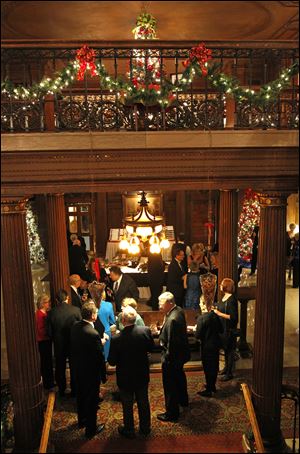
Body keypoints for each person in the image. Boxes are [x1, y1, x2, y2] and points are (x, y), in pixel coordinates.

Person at [108, 305, 154, 438]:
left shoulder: (117, 338)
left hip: (125, 376)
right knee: (143, 401)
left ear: (122, 321)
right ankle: (145, 428)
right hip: (141, 373)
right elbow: (151, 348)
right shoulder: (145, 331)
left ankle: (129, 429)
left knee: (127, 404)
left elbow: (112, 361)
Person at [70, 301, 106, 439]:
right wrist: (103, 376)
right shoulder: (93, 333)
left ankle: (82, 421)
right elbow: (99, 357)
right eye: (96, 313)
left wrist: (98, 343)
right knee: (91, 401)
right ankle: (91, 429)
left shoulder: (75, 326)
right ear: (92, 315)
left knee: (80, 396)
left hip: (78, 369)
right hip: (91, 373)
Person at [157, 292, 190, 422]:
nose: (159, 305)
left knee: (170, 385)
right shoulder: (178, 310)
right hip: (180, 356)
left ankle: (172, 413)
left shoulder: (172, 319)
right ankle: (183, 400)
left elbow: (172, 343)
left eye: (161, 303)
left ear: (169, 303)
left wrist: (167, 359)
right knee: (180, 377)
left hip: (173, 358)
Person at [47, 289, 82, 397]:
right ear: (67, 298)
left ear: (57, 300)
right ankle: (75, 389)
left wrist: (55, 338)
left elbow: (49, 332)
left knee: (60, 367)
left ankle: (62, 389)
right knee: (74, 366)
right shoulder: (75, 310)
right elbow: (81, 327)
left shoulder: (52, 312)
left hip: (59, 344)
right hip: (73, 343)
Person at [195, 302, 223, 397]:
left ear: (203, 305)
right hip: (215, 345)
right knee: (214, 365)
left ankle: (209, 389)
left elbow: (197, 335)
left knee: (207, 367)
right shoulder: (215, 316)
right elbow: (221, 330)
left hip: (206, 346)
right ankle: (212, 386)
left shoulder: (201, 318)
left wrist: (196, 329)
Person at [213, 278, 238, 382]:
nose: (220, 286)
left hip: (229, 329)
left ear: (226, 286)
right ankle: (226, 369)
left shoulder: (231, 299)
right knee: (226, 350)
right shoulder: (224, 297)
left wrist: (219, 313)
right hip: (223, 328)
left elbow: (233, 317)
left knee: (230, 352)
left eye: (221, 284)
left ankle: (229, 373)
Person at [89, 282, 115, 361]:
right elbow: (112, 321)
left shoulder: (88, 305)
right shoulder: (108, 305)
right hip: (106, 333)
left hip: (91, 333)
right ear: (102, 293)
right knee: (105, 358)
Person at [35, 294, 55, 390]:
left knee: (47, 361)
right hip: (43, 341)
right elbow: (40, 330)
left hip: (46, 340)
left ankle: (50, 381)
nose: (49, 304)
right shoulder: (39, 314)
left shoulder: (44, 313)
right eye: (47, 302)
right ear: (43, 304)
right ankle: (48, 383)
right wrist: (49, 334)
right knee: (46, 362)